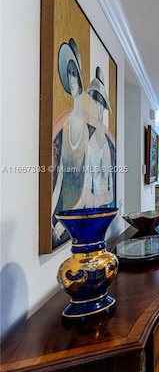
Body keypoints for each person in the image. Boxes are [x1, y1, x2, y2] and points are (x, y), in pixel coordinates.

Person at [51, 38, 91, 247]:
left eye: (75, 74)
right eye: (69, 75)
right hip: (63, 203)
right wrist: (55, 212)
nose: (72, 80)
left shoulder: (83, 125)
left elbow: (86, 176)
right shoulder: (65, 124)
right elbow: (61, 176)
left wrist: (73, 213)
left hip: (78, 204)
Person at [86, 66, 115, 208]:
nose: (97, 106)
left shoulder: (107, 143)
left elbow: (110, 181)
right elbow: (87, 181)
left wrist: (103, 198)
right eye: (94, 101)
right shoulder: (90, 141)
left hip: (104, 201)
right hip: (93, 202)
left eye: (100, 103)